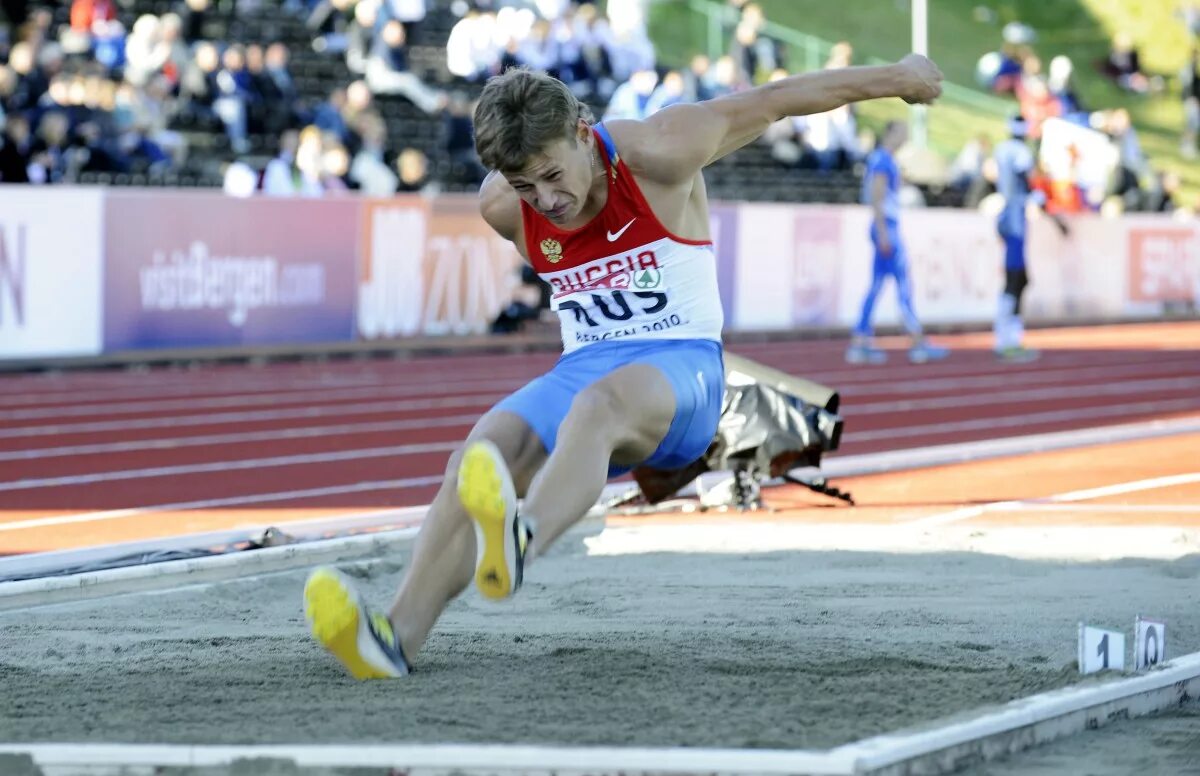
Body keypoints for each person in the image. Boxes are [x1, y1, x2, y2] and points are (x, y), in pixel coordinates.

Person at [303, 55, 944, 679]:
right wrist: (528, 190)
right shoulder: (504, 206)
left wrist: (896, 78)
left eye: (554, 175)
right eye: (527, 186)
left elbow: (774, 101)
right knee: (482, 452)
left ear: (584, 133)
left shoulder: (662, 149)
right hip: (585, 364)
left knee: (597, 409)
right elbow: (529, 199)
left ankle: (520, 539)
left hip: (681, 368)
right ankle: (393, 639)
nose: (547, 200)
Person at [846, 120, 948, 365]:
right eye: (902, 132)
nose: (905, 137)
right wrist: (882, 231)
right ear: (890, 133)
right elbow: (877, 196)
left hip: (886, 226)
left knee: (879, 284)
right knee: (901, 284)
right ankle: (915, 339)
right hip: (886, 227)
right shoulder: (882, 160)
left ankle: (862, 338)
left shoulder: (885, 160)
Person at [991, 116, 1067, 362]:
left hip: (1007, 217)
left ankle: (1008, 336)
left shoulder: (1002, 149)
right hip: (1015, 221)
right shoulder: (1020, 152)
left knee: (1016, 279)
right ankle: (1008, 339)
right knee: (1017, 279)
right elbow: (1026, 184)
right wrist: (1055, 219)